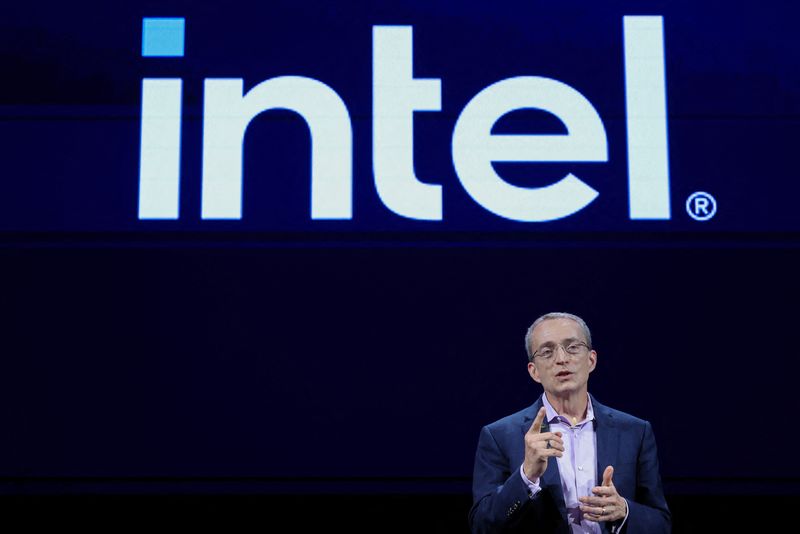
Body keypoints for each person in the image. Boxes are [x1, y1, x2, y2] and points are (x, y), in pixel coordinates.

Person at [469, 312, 670, 533]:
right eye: (547, 352)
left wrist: (624, 511)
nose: (561, 358)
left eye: (572, 347)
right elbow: (482, 525)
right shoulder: (499, 436)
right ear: (534, 371)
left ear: (591, 360)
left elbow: (661, 523)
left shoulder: (635, 432)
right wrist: (526, 475)